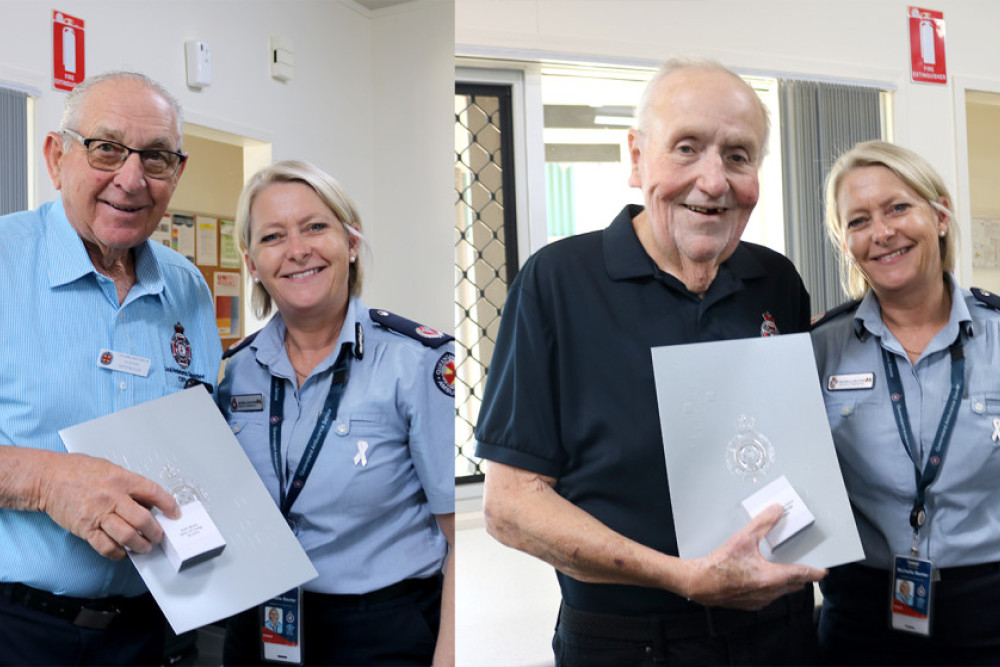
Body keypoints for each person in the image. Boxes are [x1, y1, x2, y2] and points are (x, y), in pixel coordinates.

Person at [474, 58, 826, 666]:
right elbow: (510, 506)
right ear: (636, 159)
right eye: (686, 148)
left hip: (783, 633)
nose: (713, 182)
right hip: (631, 645)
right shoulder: (558, 283)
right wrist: (682, 576)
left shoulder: (776, 281)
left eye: (738, 156)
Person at [0, 71, 222, 665]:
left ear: (176, 173)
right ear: (56, 156)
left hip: (155, 632)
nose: (130, 179)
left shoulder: (188, 289)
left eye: (155, 158)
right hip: (16, 629)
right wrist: (46, 482)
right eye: (106, 149)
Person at [218, 161, 454, 666]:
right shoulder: (232, 373)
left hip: (381, 632)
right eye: (273, 236)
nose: (297, 249)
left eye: (315, 227)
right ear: (252, 263)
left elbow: (461, 541)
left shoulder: (419, 363)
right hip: (261, 626)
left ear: (351, 242)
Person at [812, 140, 1000, 665]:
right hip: (859, 613)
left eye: (898, 207)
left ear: (939, 215)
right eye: (858, 220)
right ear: (845, 240)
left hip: (988, 609)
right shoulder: (817, 349)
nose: (882, 232)